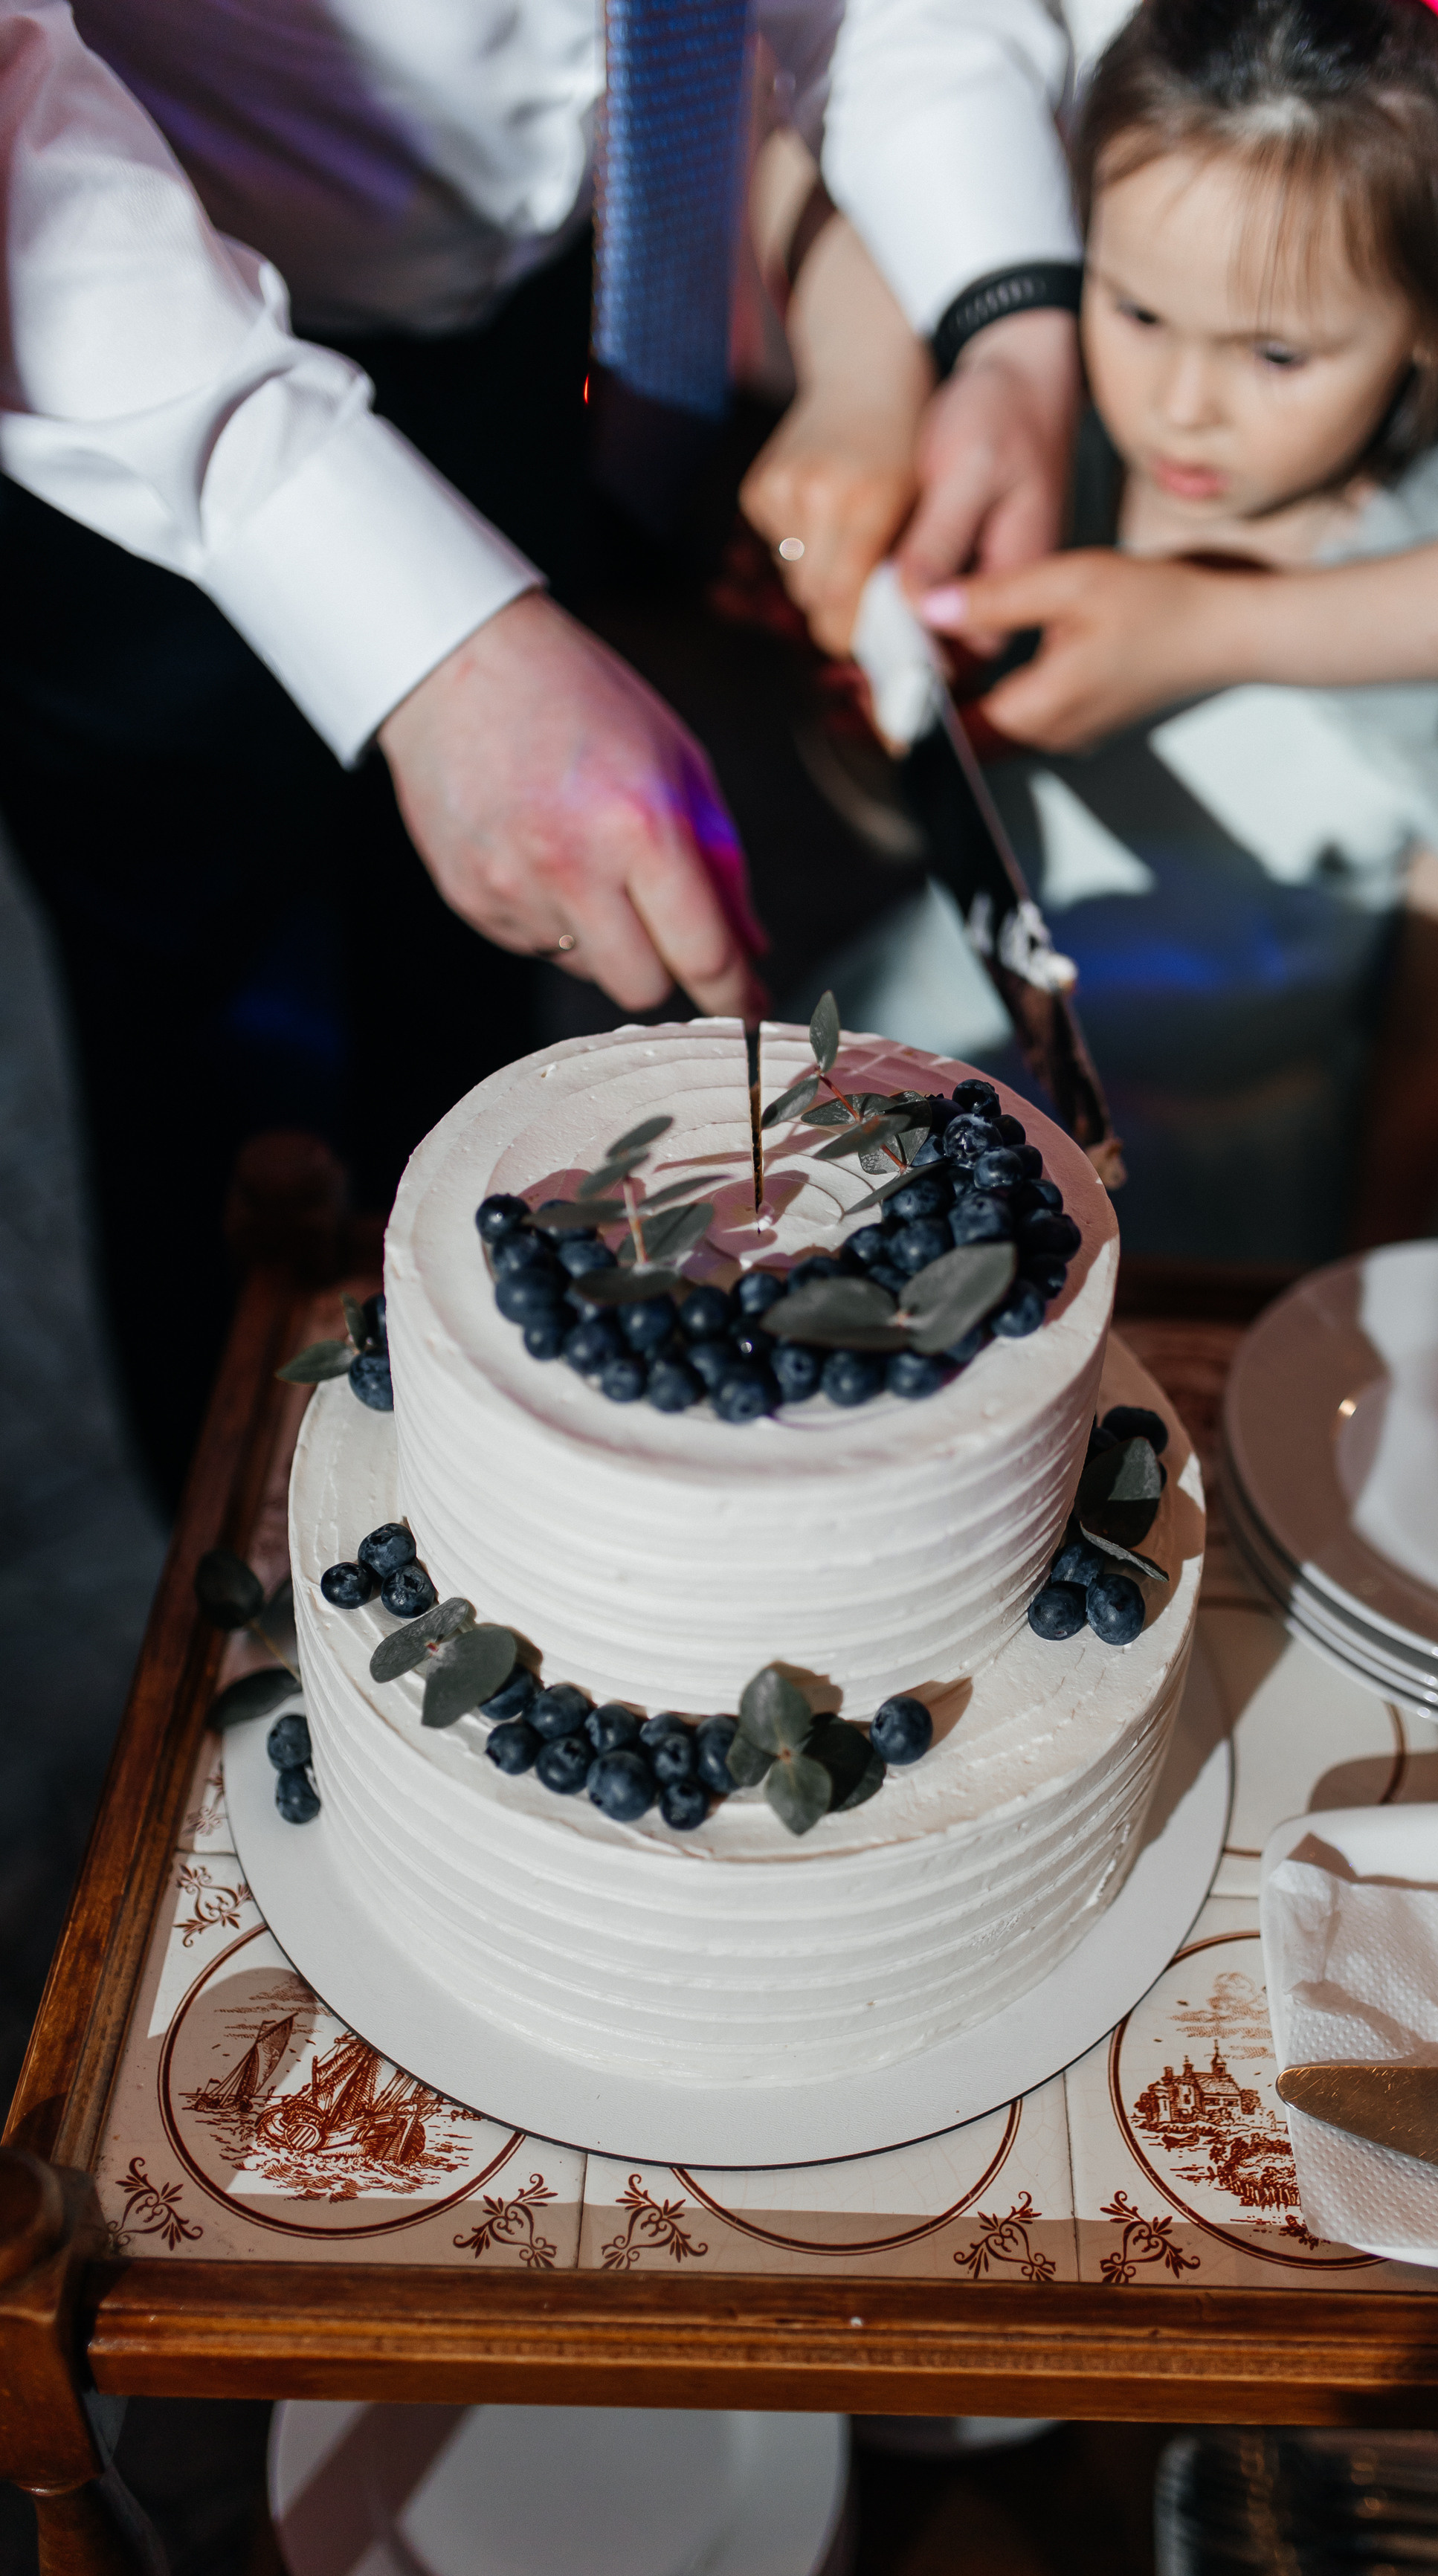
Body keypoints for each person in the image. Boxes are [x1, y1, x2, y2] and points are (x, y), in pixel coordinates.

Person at [0, 0, 1083, 1497]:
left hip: (540, 312)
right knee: (208, 1038)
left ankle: (479, 1458)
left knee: (470, 986)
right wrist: (423, 631)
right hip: (119, 354)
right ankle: (242, 1512)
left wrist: (1007, 315)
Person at [769, 0, 1438, 1258]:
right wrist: (877, 696)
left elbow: (1435, 1027)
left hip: (1224, 1186)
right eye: (1135, 312)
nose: (1181, 406)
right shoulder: (1036, 483)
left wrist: (1370, 1273)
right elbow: (803, 124)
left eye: (1275, 354)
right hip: (931, 1077)